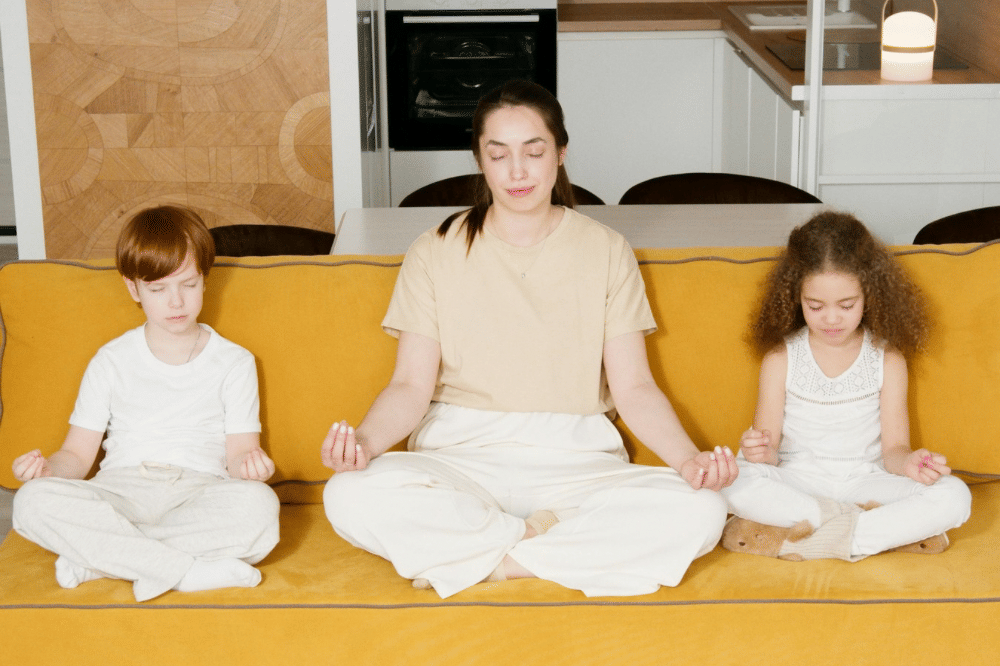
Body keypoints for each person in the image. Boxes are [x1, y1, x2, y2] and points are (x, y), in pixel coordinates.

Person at [321, 80, 736, 599]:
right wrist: (362, 445)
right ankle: (544, 547)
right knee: (347, 494)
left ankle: (493, 561)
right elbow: (408, 386)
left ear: (560, 154)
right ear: (480, 160)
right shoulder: (435, 250)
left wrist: (688, 460)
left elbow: (635, 389)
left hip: (576, 460)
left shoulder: (607, 250)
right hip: (460, 456)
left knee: (703, 508)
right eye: (499, 155)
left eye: (534, 152)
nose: (517, 171)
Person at [11, 206, 280, 602]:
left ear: (205, 279)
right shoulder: (110, 360)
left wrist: (254, 468)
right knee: (31, 502)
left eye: (188, 285)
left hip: (199, 492)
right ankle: (185, 573)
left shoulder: (234, 362)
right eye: (158, 289)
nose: (176, 302)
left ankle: (101, 561)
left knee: (260, 508)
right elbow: (76, 455)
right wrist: (49, 470)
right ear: (133, 289)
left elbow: (240, 453)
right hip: (119, 494)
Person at [720, 212, 971, 561]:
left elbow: (894, 450)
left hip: (863, 482)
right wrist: (757, 450)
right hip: (800, 481)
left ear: (869, 294)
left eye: (847, 305)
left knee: (955, 495)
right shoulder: (781, 358)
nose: (832, 318)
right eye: (816, 306)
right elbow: (770, 453)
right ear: (796, 297)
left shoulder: (887, 359)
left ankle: (810, 538)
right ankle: (869, 531)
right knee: (732, 479)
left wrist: (911, 463)